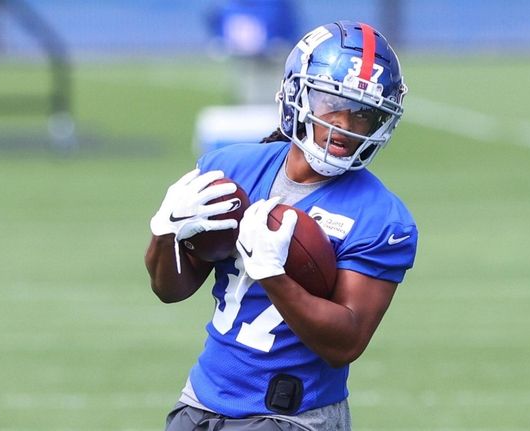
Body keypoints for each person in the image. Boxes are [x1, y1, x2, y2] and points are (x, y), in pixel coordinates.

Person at [145, 21, 417, 430]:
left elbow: (345, 341)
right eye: (331, 101)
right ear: (298, 93)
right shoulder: (231, 168)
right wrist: (165, 232)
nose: (345, 124)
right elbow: (170, 289)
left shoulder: (382, 217)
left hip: (292, 417)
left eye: (364, 114)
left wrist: (274, 275)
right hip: (200, 403)